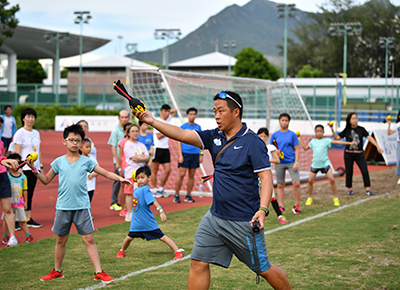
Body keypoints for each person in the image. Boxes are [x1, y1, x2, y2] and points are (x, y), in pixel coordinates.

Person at [134, 91, 291, 289]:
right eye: (214, 111)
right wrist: (152, 121)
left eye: (221, 111)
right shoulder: (214, 136)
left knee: (263, 268)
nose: (216, 115)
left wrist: (263, 208)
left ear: (236, 112)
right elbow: (181, 134)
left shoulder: (253, 142)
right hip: (215, 218)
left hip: (243, 221)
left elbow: (266, 178)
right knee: (198, 262)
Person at [25, 123, 133, 282]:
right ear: (64, 141)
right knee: (61, 239)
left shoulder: (86, 161)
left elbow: (104, 172)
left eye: (78, 140)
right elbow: (46, 180)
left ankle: (99, 272)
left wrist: (120, 178)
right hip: (63, 206)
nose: (74, 143)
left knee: (89, 239)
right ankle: (57, 271)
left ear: (82, 143)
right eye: (71, 140)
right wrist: (34, 169)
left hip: (82, 207)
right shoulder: (58, 162)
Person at [116, 165, 184, 260]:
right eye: (138, 178)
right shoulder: (137, 189)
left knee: (162, 237)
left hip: (147, 222)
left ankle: (178, 251)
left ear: (149, 178)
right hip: (137, 223)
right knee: (129, 238)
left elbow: (153, 201)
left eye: (142, 178)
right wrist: (134, 179)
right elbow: (135, 185)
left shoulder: (145, 190)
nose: (140, 180)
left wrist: (161, 211)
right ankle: (122, 251)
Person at [298, 124, 357, 206]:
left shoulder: (326, 140)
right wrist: (299, 140)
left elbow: (338, 142)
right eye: (317, 131)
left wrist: (350, 143)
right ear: (315, 132)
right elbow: (305, 148)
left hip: (325, 164)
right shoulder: (313, 142)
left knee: (332, 180)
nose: (319, 133)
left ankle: (335, 198)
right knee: (310, 181)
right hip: (315, 164)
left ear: (323, 132)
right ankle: (309, 198)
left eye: (320, 131)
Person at [330, 112, 384, 196]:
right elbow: (337, 138)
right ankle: (350, 189)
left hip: (359, 154)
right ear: (349, 120)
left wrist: (377, 146)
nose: (355, 120)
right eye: (353, 118)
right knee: (349, 172)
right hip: (348, 154)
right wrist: (332, 129)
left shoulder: (361, 129)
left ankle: (367, 189)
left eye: (356, 118)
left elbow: (369, 137)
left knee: (364, 171)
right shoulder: (346, 130)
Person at [13, 107, 43, 228]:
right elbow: (17, 152)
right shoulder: (20, 133)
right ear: (23, 118)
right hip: (23, 169)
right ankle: (15, 220)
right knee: (19, 194)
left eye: (33, 117)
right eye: (28, 116)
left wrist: (40, 165)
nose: (31, 119)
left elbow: (39, 151)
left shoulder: (36, 133)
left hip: (33, 168)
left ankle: (27, 218)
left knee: (30, 193)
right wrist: (19, 167)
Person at [270, 113, 301, 215]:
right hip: (279, 163)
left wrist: (296, 162)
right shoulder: (275, 135)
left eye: (286, 120)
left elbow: (297, 149)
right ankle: (281, 206)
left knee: (296, 183)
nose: (284, 122)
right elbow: (271, 148)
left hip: (291, 162)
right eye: (282, 120)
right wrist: (275, 152)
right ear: (279, 121)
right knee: (280, 185)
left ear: (289, 122)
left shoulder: (292, 135)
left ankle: (296, 205)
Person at [257, 127, 289, 225]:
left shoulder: (270, 147)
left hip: (266, 175)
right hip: (255, 175)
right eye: (260, 135)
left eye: (264, 136)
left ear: (267, 137)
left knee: (271, 195)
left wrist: (266, 160)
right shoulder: (254, 147)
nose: (262, 138)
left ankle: (279, 215)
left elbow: (277, 160)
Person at [2, 153, 34, 244]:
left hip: (19, 202)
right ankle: (6, 236)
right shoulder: (6, 176)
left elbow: (25, 190)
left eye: (17, 163)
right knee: (6, 219)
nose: (15, 165)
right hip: (9, 201)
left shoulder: (23, 177)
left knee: (23, 220)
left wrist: (26, 202)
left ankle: (28, 235)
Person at [173, 107, 202, 203]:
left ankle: (188, 195)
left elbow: (200, 141)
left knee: (192, 175)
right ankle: (176, 195)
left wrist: (201, 154)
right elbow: (179, 141)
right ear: (187, 115)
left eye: (194, 114)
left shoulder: (198, 127)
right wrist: (180, 155)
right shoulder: (183, 127)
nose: (192, 116)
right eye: (190, 114)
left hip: (195, 154)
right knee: (181, 174)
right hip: (185, 153)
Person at [123, 124, 149, 222]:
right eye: (133, 131)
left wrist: (140, 157)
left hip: (142, 173)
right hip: (131, 172)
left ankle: (140, 212)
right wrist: (141, 157)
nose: (135, 133)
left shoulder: (141, 145)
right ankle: (129, 213)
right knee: (129, 193)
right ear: (128, 133)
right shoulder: (127, 144)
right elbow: (134, 158)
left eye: (137, 131)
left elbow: (147, 157)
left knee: (141, 193)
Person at [152, 104, 177, 198]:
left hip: (165, 148)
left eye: (168, 112)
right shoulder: (157, 122)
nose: (167, 113)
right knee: (154, 170)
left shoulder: (167, 120)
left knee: (168, 170)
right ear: (161, 111)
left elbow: (175, 110)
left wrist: (169, 112)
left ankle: (161, 188)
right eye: (165, 111)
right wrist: (167, 131)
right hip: (157, 148)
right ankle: (154, 189)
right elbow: (158, 136)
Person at [108, 110, 131, 211]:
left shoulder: (129, 129)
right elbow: (113, 147)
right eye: (122, 117)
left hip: (128, 161)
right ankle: (114, 202)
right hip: (119, 160)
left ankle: (127, 203)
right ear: (119, 118)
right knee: (117, 181)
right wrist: (117, 162)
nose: (124, 119)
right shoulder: (116, 131)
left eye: (126, 117)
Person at [0, 145, 19, 247]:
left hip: (2, 176)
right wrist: (2, 160)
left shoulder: (1, 143)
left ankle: (12, 237)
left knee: (7, 208)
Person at [117, 122, 133, 217]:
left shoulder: (135, 141)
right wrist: (119, 167)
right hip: (125, 167)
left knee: (133, 189)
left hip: (133, 167)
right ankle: (123, 208)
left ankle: (131, 207)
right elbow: (120, 155)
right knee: (124, 188)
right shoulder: (123, 142)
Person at [80, 138, 98, 203]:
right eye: (86, 147)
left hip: (91, 186)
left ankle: (87, 213)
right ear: (81, 148)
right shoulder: (78, 159)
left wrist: (93, 175)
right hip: (81, 187)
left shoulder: (92, 159)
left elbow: (98, 171)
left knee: (88, 202)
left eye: (90, 147)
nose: (89, 149)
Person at [386, 111, 400, 184]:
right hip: (399, 143)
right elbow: (389, 133)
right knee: (399, 160)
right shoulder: (397, 125)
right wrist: (389, 124)